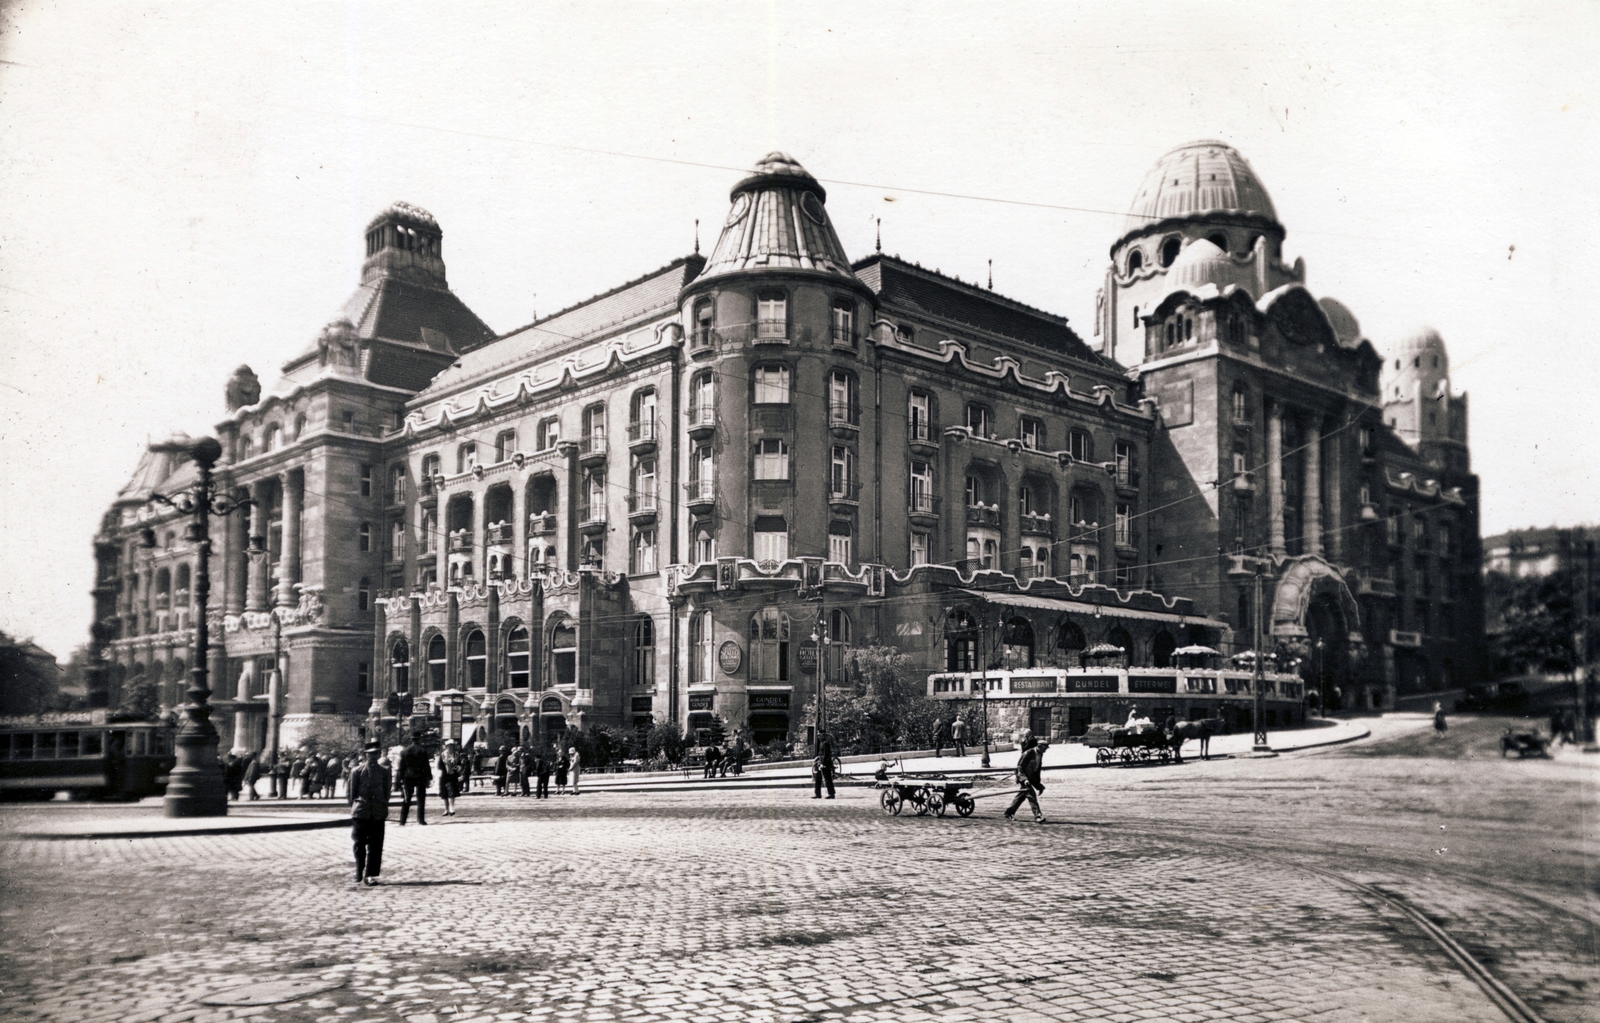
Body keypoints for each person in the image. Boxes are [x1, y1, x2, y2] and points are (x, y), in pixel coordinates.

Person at [347, 740, 392, 886]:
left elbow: (387, 792)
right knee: (359, 843)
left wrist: (381, 805)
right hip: (361, 812)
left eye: (376, 753)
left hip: (377, 812)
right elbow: (351, 794)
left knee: (376, 845)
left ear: (379, 754)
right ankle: (359, 870)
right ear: (366, 755)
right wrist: (357, 807)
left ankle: (370, 874)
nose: (373, 756)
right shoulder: (356, 771)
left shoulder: (384, 772)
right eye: (370, 754)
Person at [1005, 738, 1047, 824]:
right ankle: (1038, 816)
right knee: (1031, 796)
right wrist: (1024, 780)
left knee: (1021, 796)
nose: (1046, 750)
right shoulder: (1028, 753)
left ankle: (1009, 812)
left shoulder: (1040, 753)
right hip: (1023, 778)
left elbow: (1036, 769)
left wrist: (1039, 785)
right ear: (1039, 746)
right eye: (1045, 748)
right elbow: (1020, 767)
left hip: (1031, 778)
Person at [398, 731, 432, 825]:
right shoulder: (422, 750)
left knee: (406, 798)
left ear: (411, 740)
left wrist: (399, 779)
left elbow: (401, 767)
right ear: (419, 739)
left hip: (408, 776)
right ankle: (420, 820)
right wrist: (429, 778)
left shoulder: (404, 751)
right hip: (420, 776)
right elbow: (426, 765)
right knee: (421, 798)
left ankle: (402, 820)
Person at [438, 740, 460, 817]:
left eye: (452, 746)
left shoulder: (456, 754)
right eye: (449, 746)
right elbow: (439, 766)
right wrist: (447, 765)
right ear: (446, 747)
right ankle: (446, 809)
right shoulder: (443, 755)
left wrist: (455, 766)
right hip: (444, 775)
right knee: (444, 793)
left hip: (452, 775)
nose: (450, 747)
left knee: (451, 792)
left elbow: (459, 765)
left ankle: (451, 808)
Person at [812, 731, 836, 799]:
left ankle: (831, 794)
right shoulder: (822, 743)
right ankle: (818, 794)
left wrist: (823, 763)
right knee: (818, 778)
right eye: (818, 735)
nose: (819, 737)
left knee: (827, 779)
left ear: (824, 736)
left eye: (820, 735)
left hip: (825, 764)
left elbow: (826, 755)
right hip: (821, 763)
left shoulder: (826, 744)